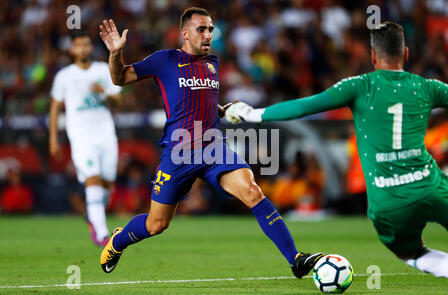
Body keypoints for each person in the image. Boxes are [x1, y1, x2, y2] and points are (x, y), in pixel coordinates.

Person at [98, 7, 323, 277]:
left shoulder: (212, 63)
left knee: (252, 191)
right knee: (157, 224)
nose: (208, 35)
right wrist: (115, 53)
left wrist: (221, 109)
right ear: (184, 33)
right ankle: (118, 241)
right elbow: (119, 77)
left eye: (211, 29)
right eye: (201, 29)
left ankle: (295, 259)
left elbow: (200, 97)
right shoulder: (165, 60)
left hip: (213, 147)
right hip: (179, 152)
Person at [226, 21, 448, 279]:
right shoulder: (429, 87)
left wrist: (253, 114)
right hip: (431, 186)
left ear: (373, 56)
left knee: (412, 253)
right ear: (406, 54)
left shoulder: (359, 86)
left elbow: (308, 105)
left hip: (388, 200)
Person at [49, 31, 122, 246]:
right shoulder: (64, 75)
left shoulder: (103, 70)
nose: (83, 49)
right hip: (81, 136)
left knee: (107, 182)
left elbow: (118, 102)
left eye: (86, 45)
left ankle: (93, 214)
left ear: (91, 48)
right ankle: (101, 234)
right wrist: (53, 138)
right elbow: (54, 107)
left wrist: (104, 93)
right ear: (72, 50)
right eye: (78, 45)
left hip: (106, 133)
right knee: (92, 177)